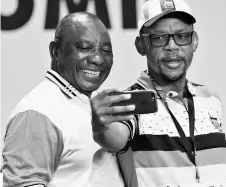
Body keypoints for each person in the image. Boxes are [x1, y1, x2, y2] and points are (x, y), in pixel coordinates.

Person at [90, 0, 226, 186]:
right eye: (159, 38)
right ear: (141, 45)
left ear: (194, 41)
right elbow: (113, 138)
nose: (172, 46)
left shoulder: (210, 99)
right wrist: (101, 127)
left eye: (182, 36)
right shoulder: (131, 102)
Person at [1, 12, 133, 186]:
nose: (98, 59)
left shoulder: (89, 103)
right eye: (85, 48)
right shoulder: (37, 111)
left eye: (106, 50)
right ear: (55, 51)